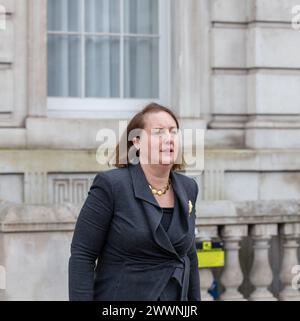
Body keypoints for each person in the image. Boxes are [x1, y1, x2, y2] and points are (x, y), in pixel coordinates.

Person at [68, 103, 200, 301]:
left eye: (173, 132)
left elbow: (189, 256)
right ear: (136, 142)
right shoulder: (112, 186)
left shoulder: (188, 188)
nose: (168, 138)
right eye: (158, 132)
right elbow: (83, 255)